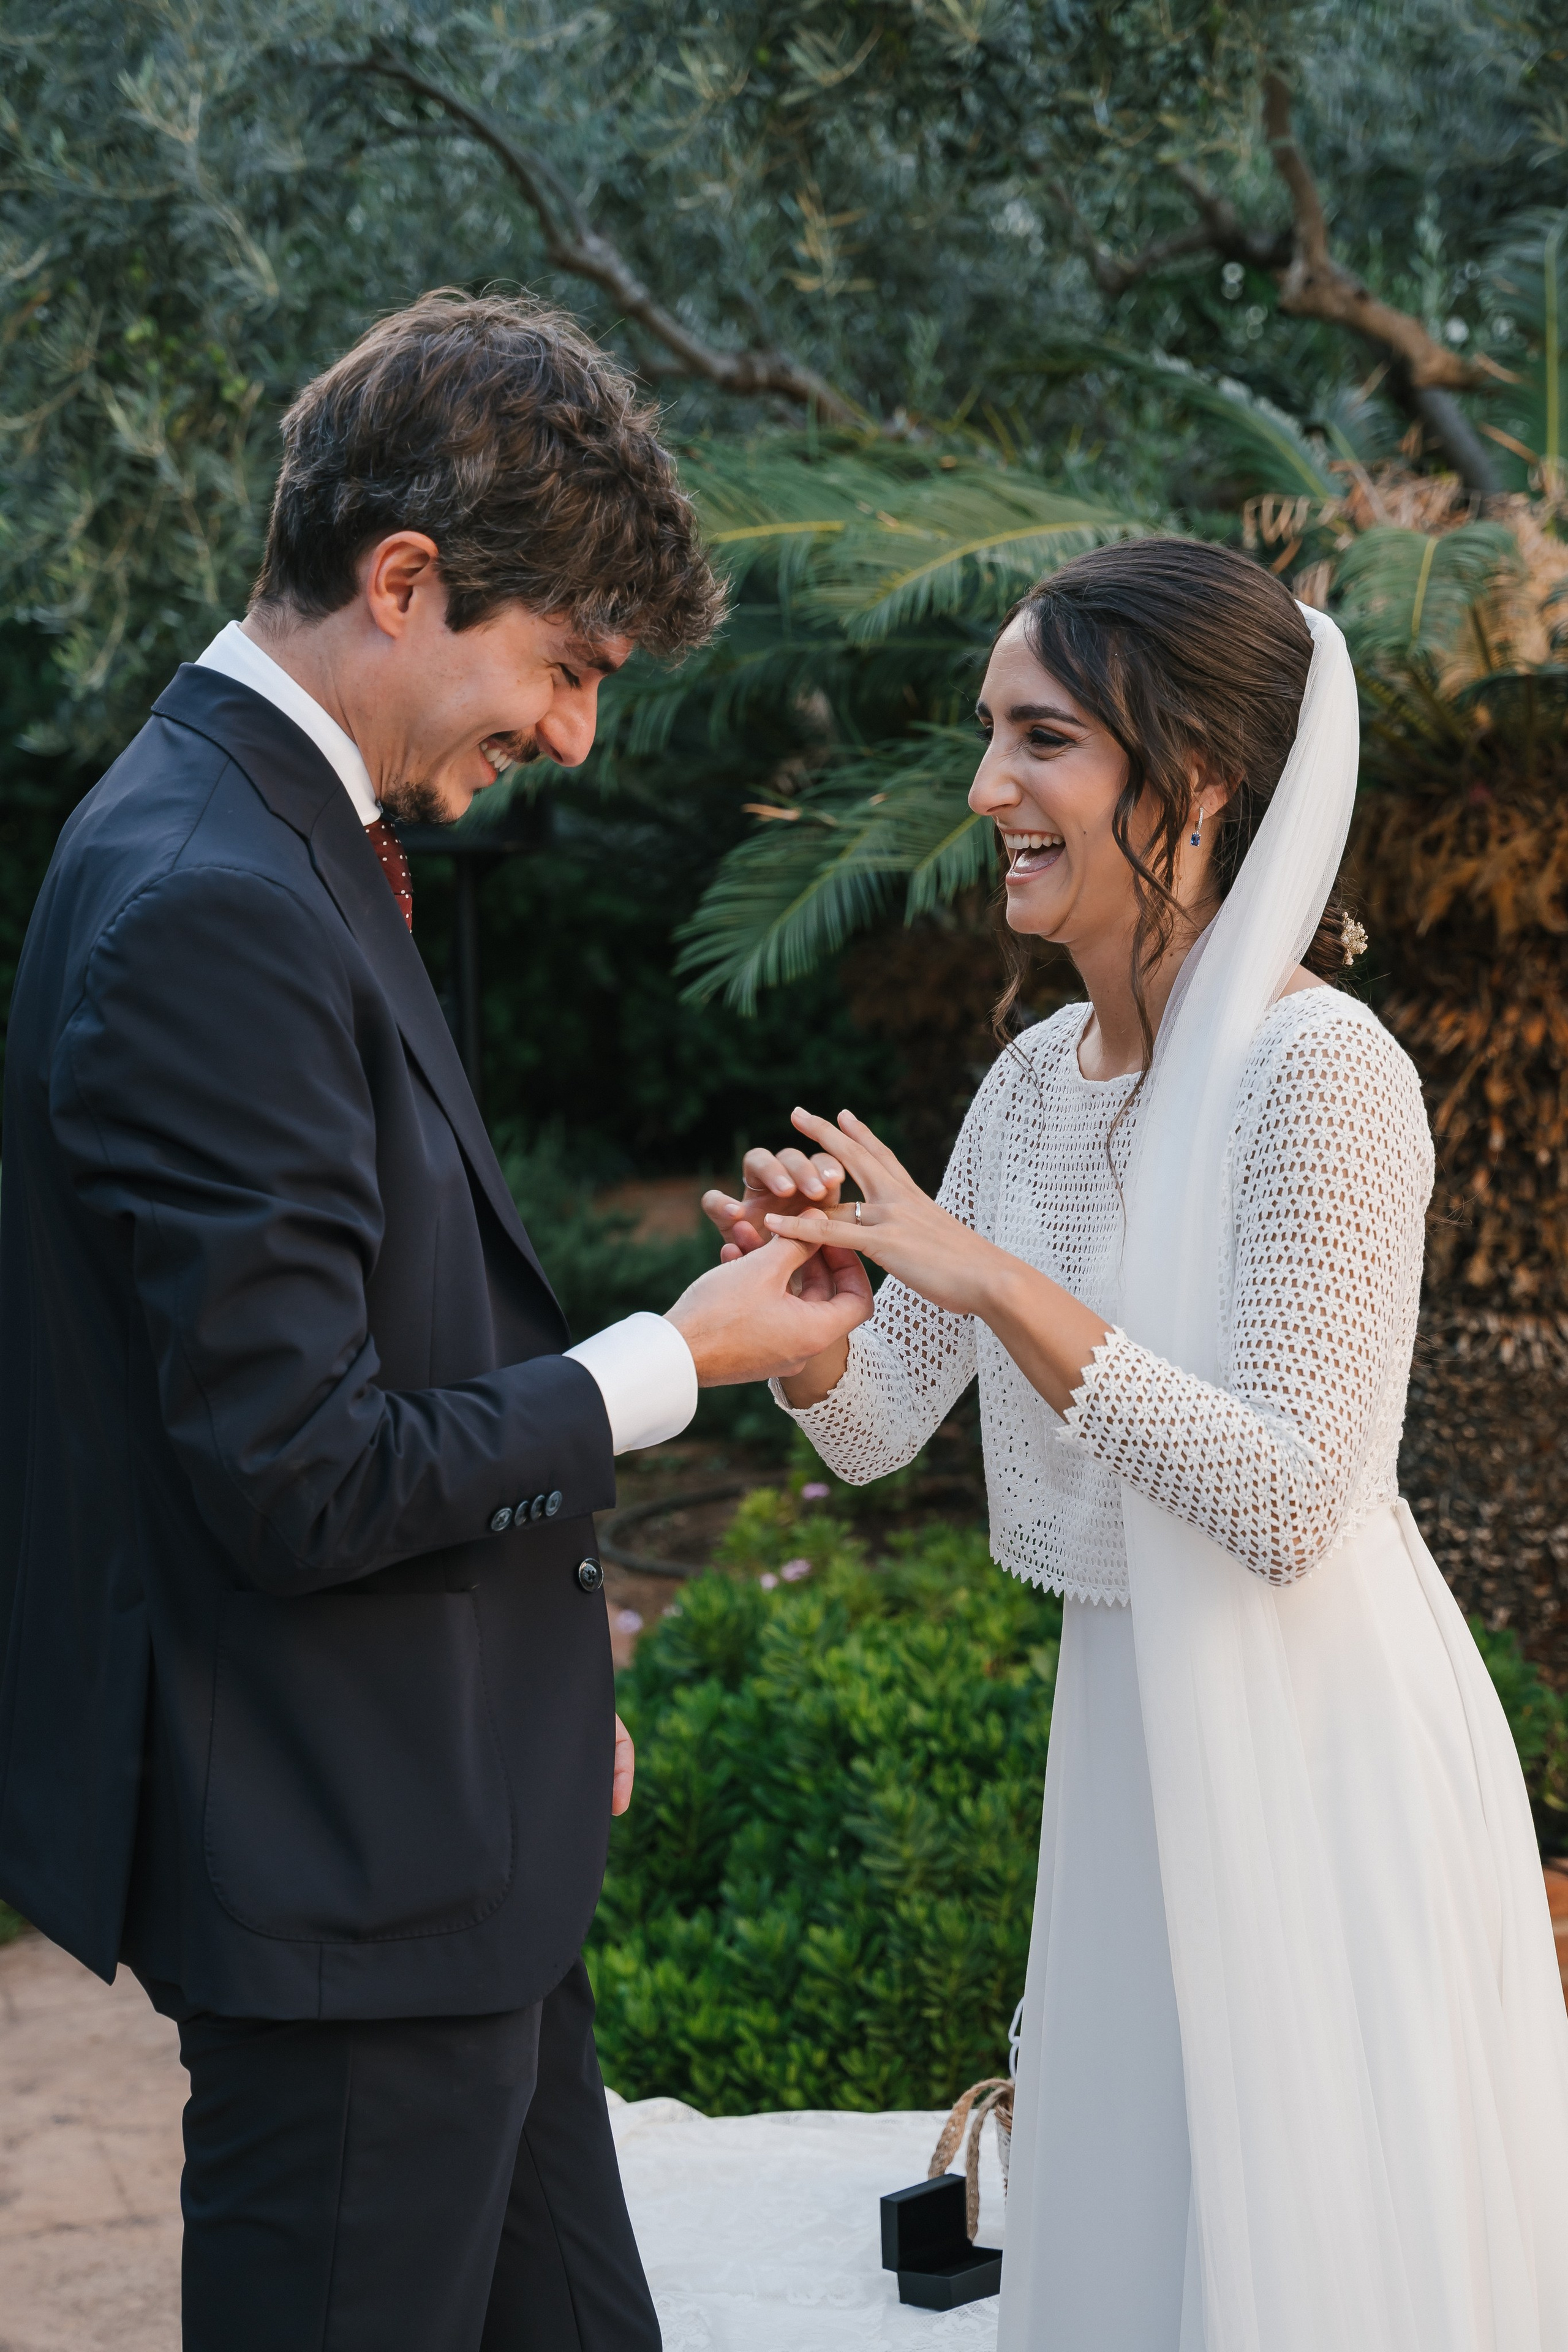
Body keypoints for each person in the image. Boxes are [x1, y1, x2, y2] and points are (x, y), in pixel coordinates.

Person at [0, 290, 867, 2352]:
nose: (573, 733)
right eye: (562, 668)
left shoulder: (281, 842)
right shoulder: (218, 894)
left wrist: (545, 1703)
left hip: (443, 1869)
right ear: (404, 582)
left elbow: (382, 1345)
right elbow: (301, 1471)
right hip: (348, 1900)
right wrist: (685, 1357)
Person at [707, 539, 1568, 2351]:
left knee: (1299, 2224)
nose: (986, 789)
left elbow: (1286, 1498)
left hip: (1316, 1740)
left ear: (1190, 785)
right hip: (1127, 1730)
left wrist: (986, 1273)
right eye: (988, 736)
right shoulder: (1031, 1085)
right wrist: (808, 1316)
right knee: (1145, 2197)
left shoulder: (1320, 1078)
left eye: (1041, 741)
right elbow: (877, 1432)